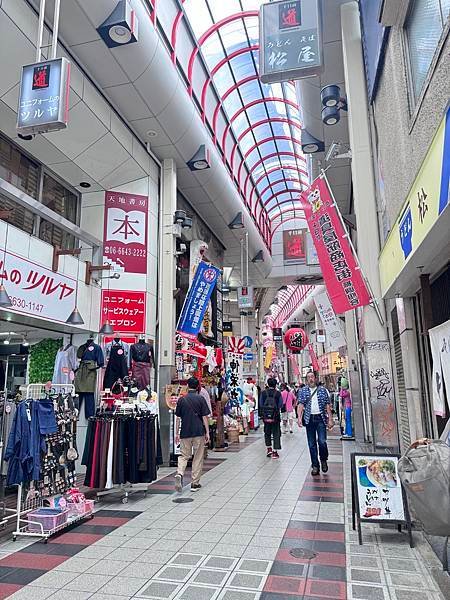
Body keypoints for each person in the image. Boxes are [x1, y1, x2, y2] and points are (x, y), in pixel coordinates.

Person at [175, 377, 210, 492]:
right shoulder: (200, 399)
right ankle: (195, 483)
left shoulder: (181, 400)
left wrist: (176, 433)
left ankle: (180, 473)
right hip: (198, 431)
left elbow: (178, 418)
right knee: (198, 456)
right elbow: (205, 417)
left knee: (184, 455)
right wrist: (207, 432)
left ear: (187, 386)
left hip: (185, 431)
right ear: (197, 386)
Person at [298, 371, 333, 476]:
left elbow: (327, 406)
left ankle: (323, 459)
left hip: (320, 419)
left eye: (312, 377)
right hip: (309, 419)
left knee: (322, 441)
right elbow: (300, 404)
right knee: (311, 444)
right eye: (308, 377)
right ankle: (315, 466)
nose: (310, 379)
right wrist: (299, 418)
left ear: (315, 378)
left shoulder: (323, 390)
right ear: (306, 379)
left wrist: (330, 419)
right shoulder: (303, 391)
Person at [259, 377, 283, 459]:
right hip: (275, 417)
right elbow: (280, 404)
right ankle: (275, 452)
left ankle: (269, 449)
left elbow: (261, 404)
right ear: (275, 384)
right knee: (276, 433)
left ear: (268, 384)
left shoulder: (263, 393)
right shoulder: (278, 393)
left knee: (267, 432)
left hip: (266, 417)